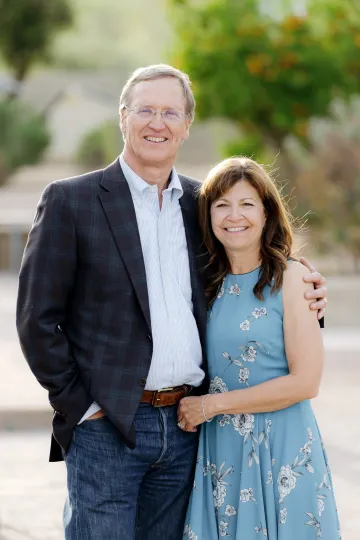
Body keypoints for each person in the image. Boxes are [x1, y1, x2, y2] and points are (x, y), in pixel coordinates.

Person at [16, 65, 328, 540]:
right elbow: (37, 319)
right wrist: (81, 406)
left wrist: (306, 290)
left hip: (188, 427)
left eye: (170, 112)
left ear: (186, 125)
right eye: (145, 110)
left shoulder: (201, 205)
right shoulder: (71, 201)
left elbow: (245, 274)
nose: (156, 123)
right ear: (123, 118)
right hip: (109, 426)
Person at [178, 157, 341, 539]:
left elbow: (306, 383)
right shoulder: (205, 284)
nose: (234, 216)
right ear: (209, 216)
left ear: (267, 213)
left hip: (281, 446)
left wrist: (210, 406)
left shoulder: (293, 276)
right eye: (222, 205)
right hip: (222, 451)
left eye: (247, 204)